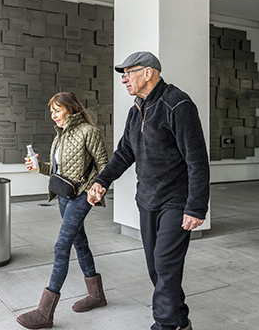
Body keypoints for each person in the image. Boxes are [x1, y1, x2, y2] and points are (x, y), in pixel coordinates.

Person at [88, 51, 210, 330]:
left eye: (128, 73)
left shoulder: (177, 104)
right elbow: (123, 154)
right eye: (123, 74)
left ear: (148, 72)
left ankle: (165, 325)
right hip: (147, 200)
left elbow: (197, 159)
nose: (124, 80)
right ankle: (181, 320)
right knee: (156, 268)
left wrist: (196, 206)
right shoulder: (137, 110)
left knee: (166, 266)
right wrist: (101, 181)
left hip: (176, 200)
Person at [16, 91, 110, 330]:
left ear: (71, 108)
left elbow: (104, 167)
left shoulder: (89, 132)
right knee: (79, 243)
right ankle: (97, 296)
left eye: (57, 110)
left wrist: (94, 191)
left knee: (61, 246)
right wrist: (39, 168)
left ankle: (45, 312)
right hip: (63, 195)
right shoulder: (58, 136)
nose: (53, 116)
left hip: (82, 197)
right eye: (51, 112)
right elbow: (58, 171)